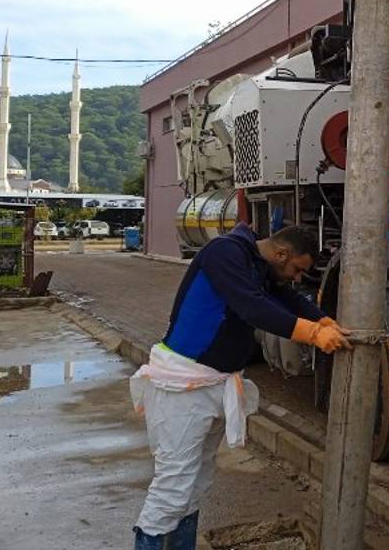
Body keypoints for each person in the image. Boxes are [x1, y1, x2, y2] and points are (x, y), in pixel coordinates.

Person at [130, 223, 351, 550]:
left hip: (211, 384)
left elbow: (283, 296)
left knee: (194, 484)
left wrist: (320, 318)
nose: (297, 277)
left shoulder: (257, 265)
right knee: (172, 487)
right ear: (281, 254)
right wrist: (313, 334)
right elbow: (252, 306)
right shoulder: (225, 253)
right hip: (181, 385)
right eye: (296, 269)